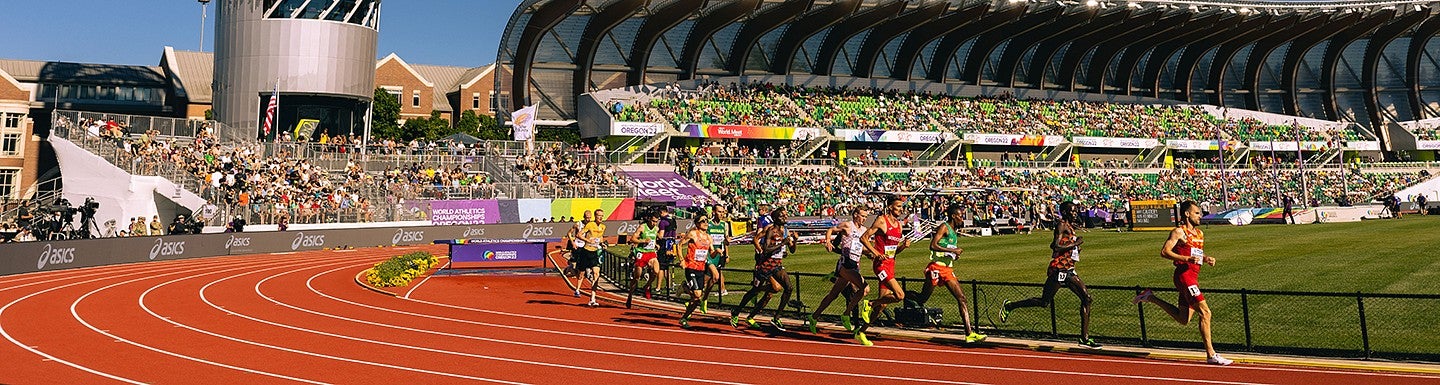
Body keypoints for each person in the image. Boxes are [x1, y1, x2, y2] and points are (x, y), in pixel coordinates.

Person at [1133, 201, 1232, 365]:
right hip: (1184, 276)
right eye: (1197, 213)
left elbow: (1195, 253)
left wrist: (1206, 259)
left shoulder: (1199, 233)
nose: (1200, 216)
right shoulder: (1179, 232)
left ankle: (1150, 297)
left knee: (1183, 319)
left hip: (1193, 276)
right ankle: (1211, 354)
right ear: (1187, 214)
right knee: (1206, 313)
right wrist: (1186, 259)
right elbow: (1165, 252)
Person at [999, 201, 1100, 349]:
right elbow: (1056, 246)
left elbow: (1065, 247)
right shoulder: (1061, 225)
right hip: (1059, 269)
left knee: (1087, 298)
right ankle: (1010, 306)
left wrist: (1075, 249)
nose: (1075, 213)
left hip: (1069, 269)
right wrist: (1075, 243)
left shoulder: (1070, 227)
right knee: (1044, 302)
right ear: (1065, 212)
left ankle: (1084, 338)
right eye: (1072, 211)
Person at [911, 203, 985, 343]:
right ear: (953, 216)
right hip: (936, 268)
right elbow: (932, 245)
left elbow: (947, 248)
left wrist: (954, 255)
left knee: (962, 298)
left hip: (947, 269)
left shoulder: (954, 231)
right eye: (960, 216)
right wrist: (952, 251)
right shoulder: (944, 227)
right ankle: (899, 295)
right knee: (922, 299)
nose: (962, 219)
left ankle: (969, 333)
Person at [805, 206, 874, 345]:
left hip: (855, 265)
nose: (864, 218)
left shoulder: (864, 231)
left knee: (833, 294)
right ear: (855, 215)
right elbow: (831, 229)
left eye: (866, 216)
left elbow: (862, 248)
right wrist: (828, 240)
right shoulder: (848, 225)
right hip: (844, 265)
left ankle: (814, 317)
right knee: (865, 289)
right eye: (862, 215)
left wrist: (871, 254)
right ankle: (846, 314)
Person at [730, 207, 796, 331]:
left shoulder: (785, 230)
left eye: (786, 215)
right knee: (755, 291)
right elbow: (764, 247)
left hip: (776, 265)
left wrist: (794, 241)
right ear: (776, 218)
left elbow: (792, 249)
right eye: (783, 216)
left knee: (788, 287)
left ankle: (776, 318)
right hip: (765, 266)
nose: (785, 217)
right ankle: (736, 311)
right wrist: (781, 244)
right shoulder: (770, 230)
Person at [859, 195, 911, 337]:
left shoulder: (899, 225)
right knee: (900, 295)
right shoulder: (882, 221)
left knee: (882, 306)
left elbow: (893, 253)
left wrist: (903, 247)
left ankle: (861, 331)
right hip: (881, 266)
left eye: (902, 206)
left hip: (890, 265)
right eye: (898, 206)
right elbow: (863, 238)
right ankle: (869, 303)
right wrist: (875, 253)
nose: (901, 209)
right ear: (890, 207)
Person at [677, 215, 715, 328]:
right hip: (691, 266)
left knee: (696, 299)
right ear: (697, 224)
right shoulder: (693, 234)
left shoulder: (709, 237)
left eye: (706, 221)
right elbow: (679, 245)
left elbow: (711, 254)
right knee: (697, 295)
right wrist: (682, 260)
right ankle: (685, 287)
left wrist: (717, 251)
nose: (705, 223)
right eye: (702, 221)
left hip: (701, 268)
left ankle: (684, 318)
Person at [628, 212, 664, 307]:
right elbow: (632, 239)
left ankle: (647, 286)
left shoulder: (656, 229)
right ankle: (630, 295)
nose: (654, 223)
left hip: (651, 253)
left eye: (656, 222)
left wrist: (655, 244)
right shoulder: (642, 227)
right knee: (637, 277)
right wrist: (643, 241)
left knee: (656, 270)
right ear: (649, 219)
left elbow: (653, 239)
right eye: (652, 221)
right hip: (641, 252)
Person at [574, 209, 606, 307]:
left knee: (596, 274)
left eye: (602, 216)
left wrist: (602, 243)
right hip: (586, 252)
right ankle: (577, 288)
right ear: (595, 216)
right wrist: (588, 240)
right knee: (581, 273)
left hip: (594, 253)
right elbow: (578, 235)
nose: (600, 217)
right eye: (598, 216)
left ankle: (592, 298)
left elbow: (600, 238)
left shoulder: (603, 227)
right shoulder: (590, 225)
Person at [707, 206, 734, 297]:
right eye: (719, 212)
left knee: (719, 272)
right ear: (714, 212)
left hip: (720, 253)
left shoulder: (724, 224)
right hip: (709, 253)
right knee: (708, 275)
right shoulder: (708, 224)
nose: (722, 214)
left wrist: (727, 255)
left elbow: (725, 241)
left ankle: (722, 289)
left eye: (723, 212)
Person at [657, 207, 679, 294]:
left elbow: (661, 235)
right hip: (672, 245)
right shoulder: (673, 220)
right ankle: (669, 285)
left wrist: (655, 232)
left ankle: (658, 287)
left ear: (662, 212)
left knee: (661, 267)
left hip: (664, 245)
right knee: (667, 266)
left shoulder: (663, 222)